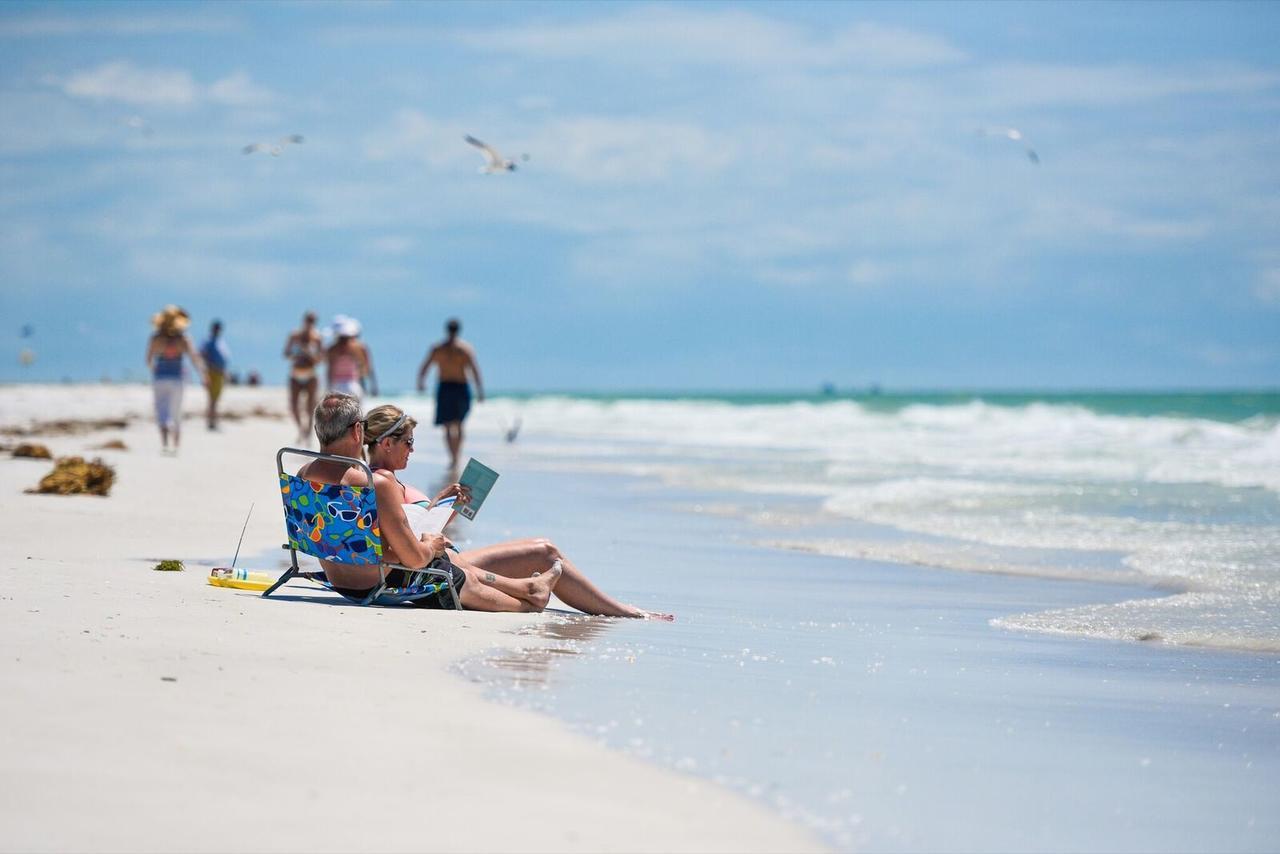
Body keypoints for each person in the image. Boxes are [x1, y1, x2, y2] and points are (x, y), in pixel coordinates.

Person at [362, 403, 672, 619]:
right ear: (387, 443)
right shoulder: (383, 482)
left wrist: (440, 506)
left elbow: (401, 533)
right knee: (545, 553)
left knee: (543, 549)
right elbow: (412, 555)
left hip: (437, 561)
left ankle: (612, 606)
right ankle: (619, 610)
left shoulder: (374, 479)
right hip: (430, 569)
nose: (413, 449)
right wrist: (433, 542)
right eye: (408, 442)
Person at [301, 392, 559, 612]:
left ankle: (528, 588)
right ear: (358, 431)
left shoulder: (304, 476)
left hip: (340, 581)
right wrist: (428, 544)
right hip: (377, 584)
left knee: (450, 564)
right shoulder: (373, 484)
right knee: (452, 571)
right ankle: (527, 605)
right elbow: (414, 559)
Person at [416, 318, 484, 470]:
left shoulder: (463, 349)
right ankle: (453, 457)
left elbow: (474, 369)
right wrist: (421, 381)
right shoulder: (439, 349)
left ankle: (456, 456)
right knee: (448, 425)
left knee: (458, 424)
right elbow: (425, 366)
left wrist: (480, 391)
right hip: (446, 387)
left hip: (460, 387)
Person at [145, 305, 207, 454]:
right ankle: (176, 445)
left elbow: (148, 360)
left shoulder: (156, 338)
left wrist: (156, 370)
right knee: (176, 412)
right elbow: (194, 358)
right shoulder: (184, 338)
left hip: (160, 378)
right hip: (177, 379)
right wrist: (204, 376)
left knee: (161, 411)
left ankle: (165, 444)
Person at [283, 311, 323, 442]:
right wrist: (297, 354)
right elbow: (286, 354)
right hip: (296, 374)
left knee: (310, 405)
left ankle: (309, 432)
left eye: (312, 321)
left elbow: (321, 359)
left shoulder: (317, 337)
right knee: (294, 405)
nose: (309, 323)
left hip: (310, 374)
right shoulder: (294, 335)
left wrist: (309, 355)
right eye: (308, 320)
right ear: (304, 320)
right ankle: (301, 428)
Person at [326, 315, 377, 400]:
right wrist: (373, 385)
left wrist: (328, 387)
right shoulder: (359, 347)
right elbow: (368, 368)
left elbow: (329, 370)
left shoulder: (332, 349)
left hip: (337, 385)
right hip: (353, 384)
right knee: (357, 411)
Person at [199, 320, 230, 430]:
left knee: (215, 399)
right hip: (212, 372)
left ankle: (213, 421)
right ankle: (211, 421)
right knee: (212, 399)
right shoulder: (208, 341)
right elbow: (202, 355)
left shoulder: (219, 341)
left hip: (219, 372)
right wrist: (206, 369)